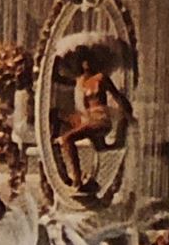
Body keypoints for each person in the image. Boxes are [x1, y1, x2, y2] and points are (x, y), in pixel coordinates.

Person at [52, 44, 133, 193]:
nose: (86, 64)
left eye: (89, 60)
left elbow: (118, 96)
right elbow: (61, 80)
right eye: (84, 61)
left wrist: (130, 115)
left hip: (101, 120)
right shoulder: (81, 82)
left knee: (67, 138)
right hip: (89, 121)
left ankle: (77, 180)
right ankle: (88, 182)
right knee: (99, 148)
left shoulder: (101, 78)